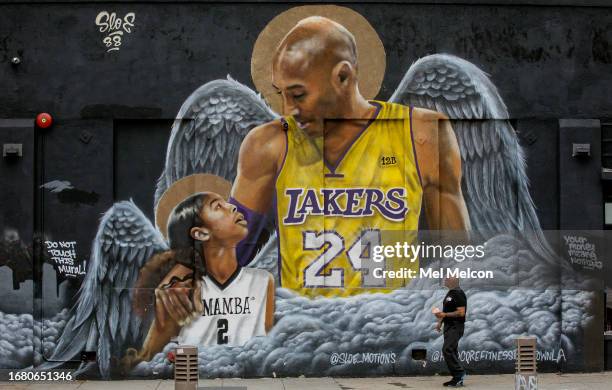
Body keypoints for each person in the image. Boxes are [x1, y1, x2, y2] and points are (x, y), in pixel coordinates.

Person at [228, 16, 470, 297]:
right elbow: (229, 254)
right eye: (281, 93)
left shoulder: (422, 134)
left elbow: (455, 258)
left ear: (343, 76)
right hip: (305, 330)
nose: (287, 109)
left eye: (297, 94)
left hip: (391, 327)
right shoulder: (268, 144)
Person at [124, 192, 275, 370]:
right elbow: (148, 358)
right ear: (201, 233)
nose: (232, 206)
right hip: (192, 375)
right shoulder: (180, 292)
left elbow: (267, 347)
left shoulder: (263, 281)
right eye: (217, 206)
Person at [434, 276, 467, 387]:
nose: (445, 280)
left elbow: (461, 312)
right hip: (449, 326)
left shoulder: (458, 293)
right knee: (452, 350)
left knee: (447, 349)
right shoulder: (450, 293)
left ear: (454, 281)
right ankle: (457, 378)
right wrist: (440, 322)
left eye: (447, 279)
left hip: (456, 326)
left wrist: (444, 315)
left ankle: (459, 374)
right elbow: (446, 310)